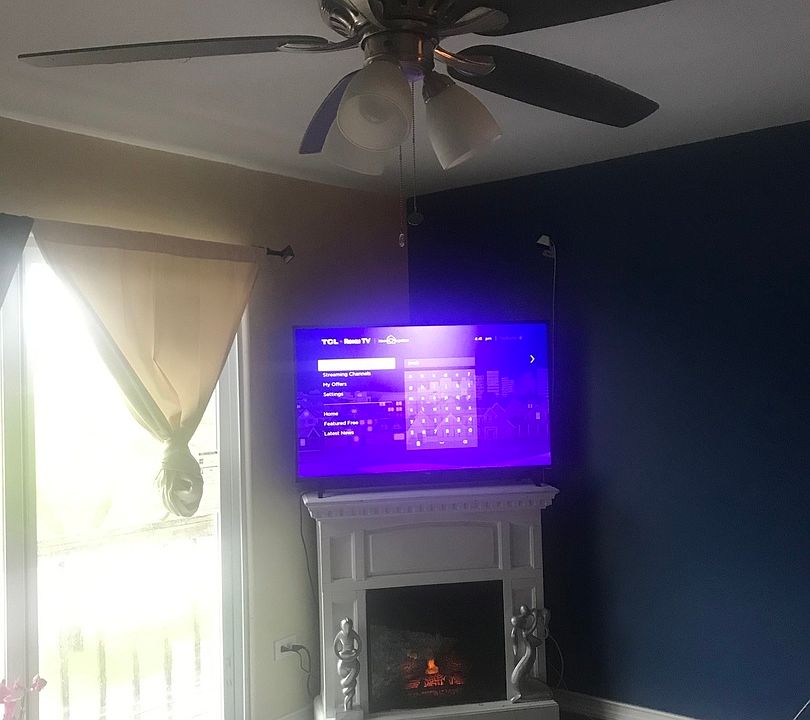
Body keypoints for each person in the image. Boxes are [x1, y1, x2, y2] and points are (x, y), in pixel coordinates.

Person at [334, 617, 362, 711]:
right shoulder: (340, 635)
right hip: (344, 658)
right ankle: (348, 707)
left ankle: (349, 707)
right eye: (345, 627)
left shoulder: (353, 634)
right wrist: (339, 655)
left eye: (349, 627)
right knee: (347, 681)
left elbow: (359, 643)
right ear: (342, 626)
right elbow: (335, 647)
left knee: (352, 676)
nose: (347, 629)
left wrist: (356, 653)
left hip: (352, 656)